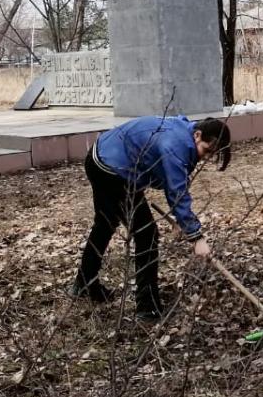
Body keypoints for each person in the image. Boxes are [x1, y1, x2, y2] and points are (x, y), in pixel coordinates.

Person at [71, 115, 232, 322]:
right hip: (110, 169)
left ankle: (84, 284)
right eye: (207, 151)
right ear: (198, 134)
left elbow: (166, 177)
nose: (207, 158)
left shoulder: (185, 131)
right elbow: (177, 191)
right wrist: (196, 236)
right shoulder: (176, 144)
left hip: (104, 157)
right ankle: (147, 308)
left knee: (105, 223)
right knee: (146, 233)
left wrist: (178, 220)